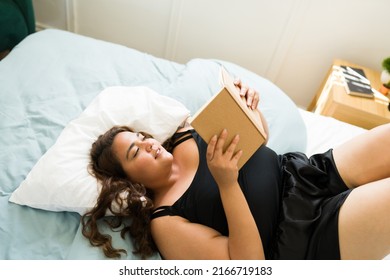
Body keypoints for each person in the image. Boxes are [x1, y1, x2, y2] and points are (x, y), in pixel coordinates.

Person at [81, 79, 390, 260]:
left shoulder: (185, 134)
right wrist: (227, 184)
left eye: (141, 137)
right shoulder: (165, 221)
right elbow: (247, 266)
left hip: (303, 173)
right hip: (303, 237)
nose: (147, 144)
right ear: (129, 181)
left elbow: (259, 140)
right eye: (135, 152)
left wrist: (250, 110)